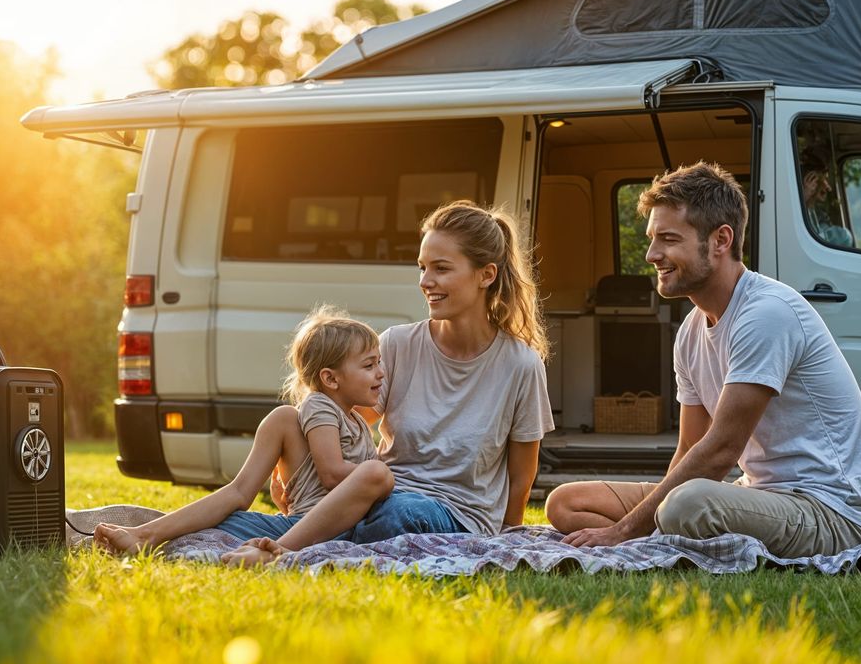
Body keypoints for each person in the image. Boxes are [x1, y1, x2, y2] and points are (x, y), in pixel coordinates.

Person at [545, 162, 861, 558]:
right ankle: (663, 531)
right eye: (652, 239)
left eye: (668, 239)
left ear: (720, 240)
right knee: (565, 502)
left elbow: (722, 450)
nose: (652, 255)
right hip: (757, 495)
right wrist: (641, 518)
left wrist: (622, 531)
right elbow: (690, 447)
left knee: (684, 505)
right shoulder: (691, 332)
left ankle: (660, 531)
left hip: (831, 512)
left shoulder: (767, 313)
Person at [274, 200, 555, 542]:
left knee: (400, 513)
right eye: (422, 268)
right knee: (240, 523)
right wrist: (297, 462)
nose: (425, 281)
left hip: (457, 513)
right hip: (382, 496)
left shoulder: (521, 365)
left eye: (441, 269)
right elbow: (341, 417)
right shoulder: (397, 344)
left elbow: (521, 475)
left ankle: (309, 537)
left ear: (487, 275)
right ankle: (306, 534)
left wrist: (507, 535)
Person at [93, 306, 394, 566]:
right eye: (369, 365)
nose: (381, 372)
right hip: (306, 527)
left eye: (379, 362)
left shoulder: (357, 421)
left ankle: (271, 547)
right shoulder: (317, 406)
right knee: (375, 473)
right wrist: (384, 477)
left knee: (376, 474)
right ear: (330, 378)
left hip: (335, 529)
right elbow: (327, 475)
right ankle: (147, 534)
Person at [799, 144, 853, 247]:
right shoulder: (799, 211)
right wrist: (805, 197)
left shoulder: (818, 213)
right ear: (811, 180)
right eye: (824, 179)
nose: (829, 188)